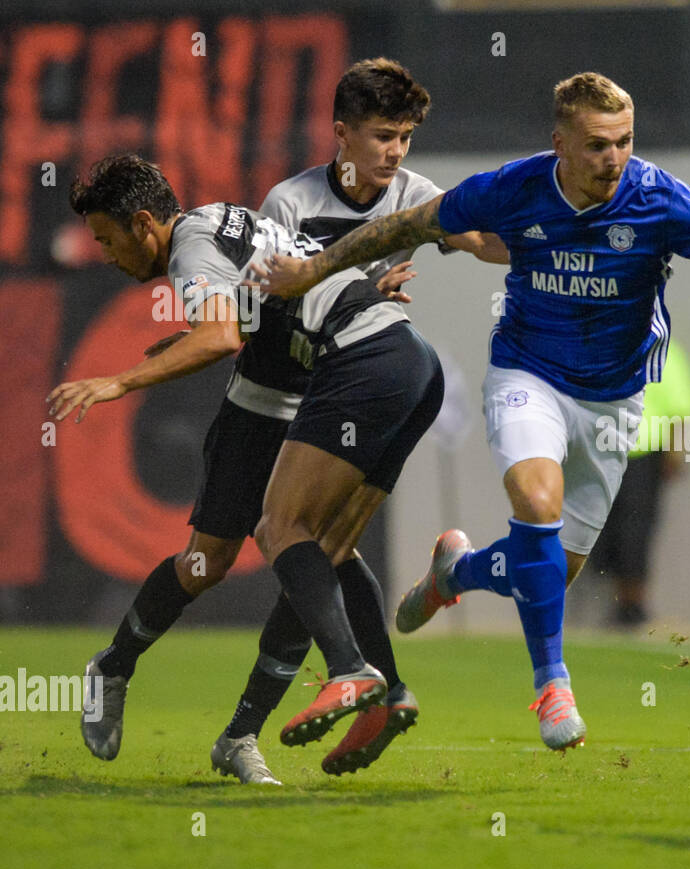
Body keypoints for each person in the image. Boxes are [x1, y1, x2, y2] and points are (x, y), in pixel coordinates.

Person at [253, 71, 690, 750]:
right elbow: (404, 224)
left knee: (551, 568)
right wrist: (308, 273)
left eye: (625, 143)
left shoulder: (664, 202)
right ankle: (553, 684)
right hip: (528, 375)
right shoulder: (513, 187)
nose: (614, 159)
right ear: (560, 143)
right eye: (599, 145)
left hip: (614, 401)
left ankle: (456, 572)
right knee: (536, 501)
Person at [66, 60, 504, 784]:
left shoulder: (413, 199)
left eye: (109, 240)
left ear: (143, 223)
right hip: (273, 392)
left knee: (317, 547)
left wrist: (121, 379)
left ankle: (255, 728)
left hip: (345, 376)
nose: (395, 152)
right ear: (342, 134)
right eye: (382, 135)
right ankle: (113, 666)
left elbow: (234, 318)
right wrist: (358, 291)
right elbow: (258, 301)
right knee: (208, 563)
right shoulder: (285, 200)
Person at [588, 339, 690, 626]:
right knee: (603, 531)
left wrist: (678, 453)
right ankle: (617, 599)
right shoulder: (603, 346)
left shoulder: (666, 353)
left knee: (635, 530)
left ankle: (632, 604)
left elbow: (683, 408)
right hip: (603, 452)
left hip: (643, 453)